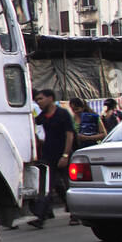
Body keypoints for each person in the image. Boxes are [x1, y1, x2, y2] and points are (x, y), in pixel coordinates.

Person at [29, 90, 74, 229]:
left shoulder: (63, 114)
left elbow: (70, 135)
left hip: (63, 155)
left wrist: (65, 155)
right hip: (49, 155)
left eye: (41, 99)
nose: (38, 102)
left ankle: (75, 215)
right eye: (36, 100)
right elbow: (33, 125)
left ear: (50, 98)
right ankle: (40, 217)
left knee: (69, 186)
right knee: (46, 186)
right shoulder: (43, 116)